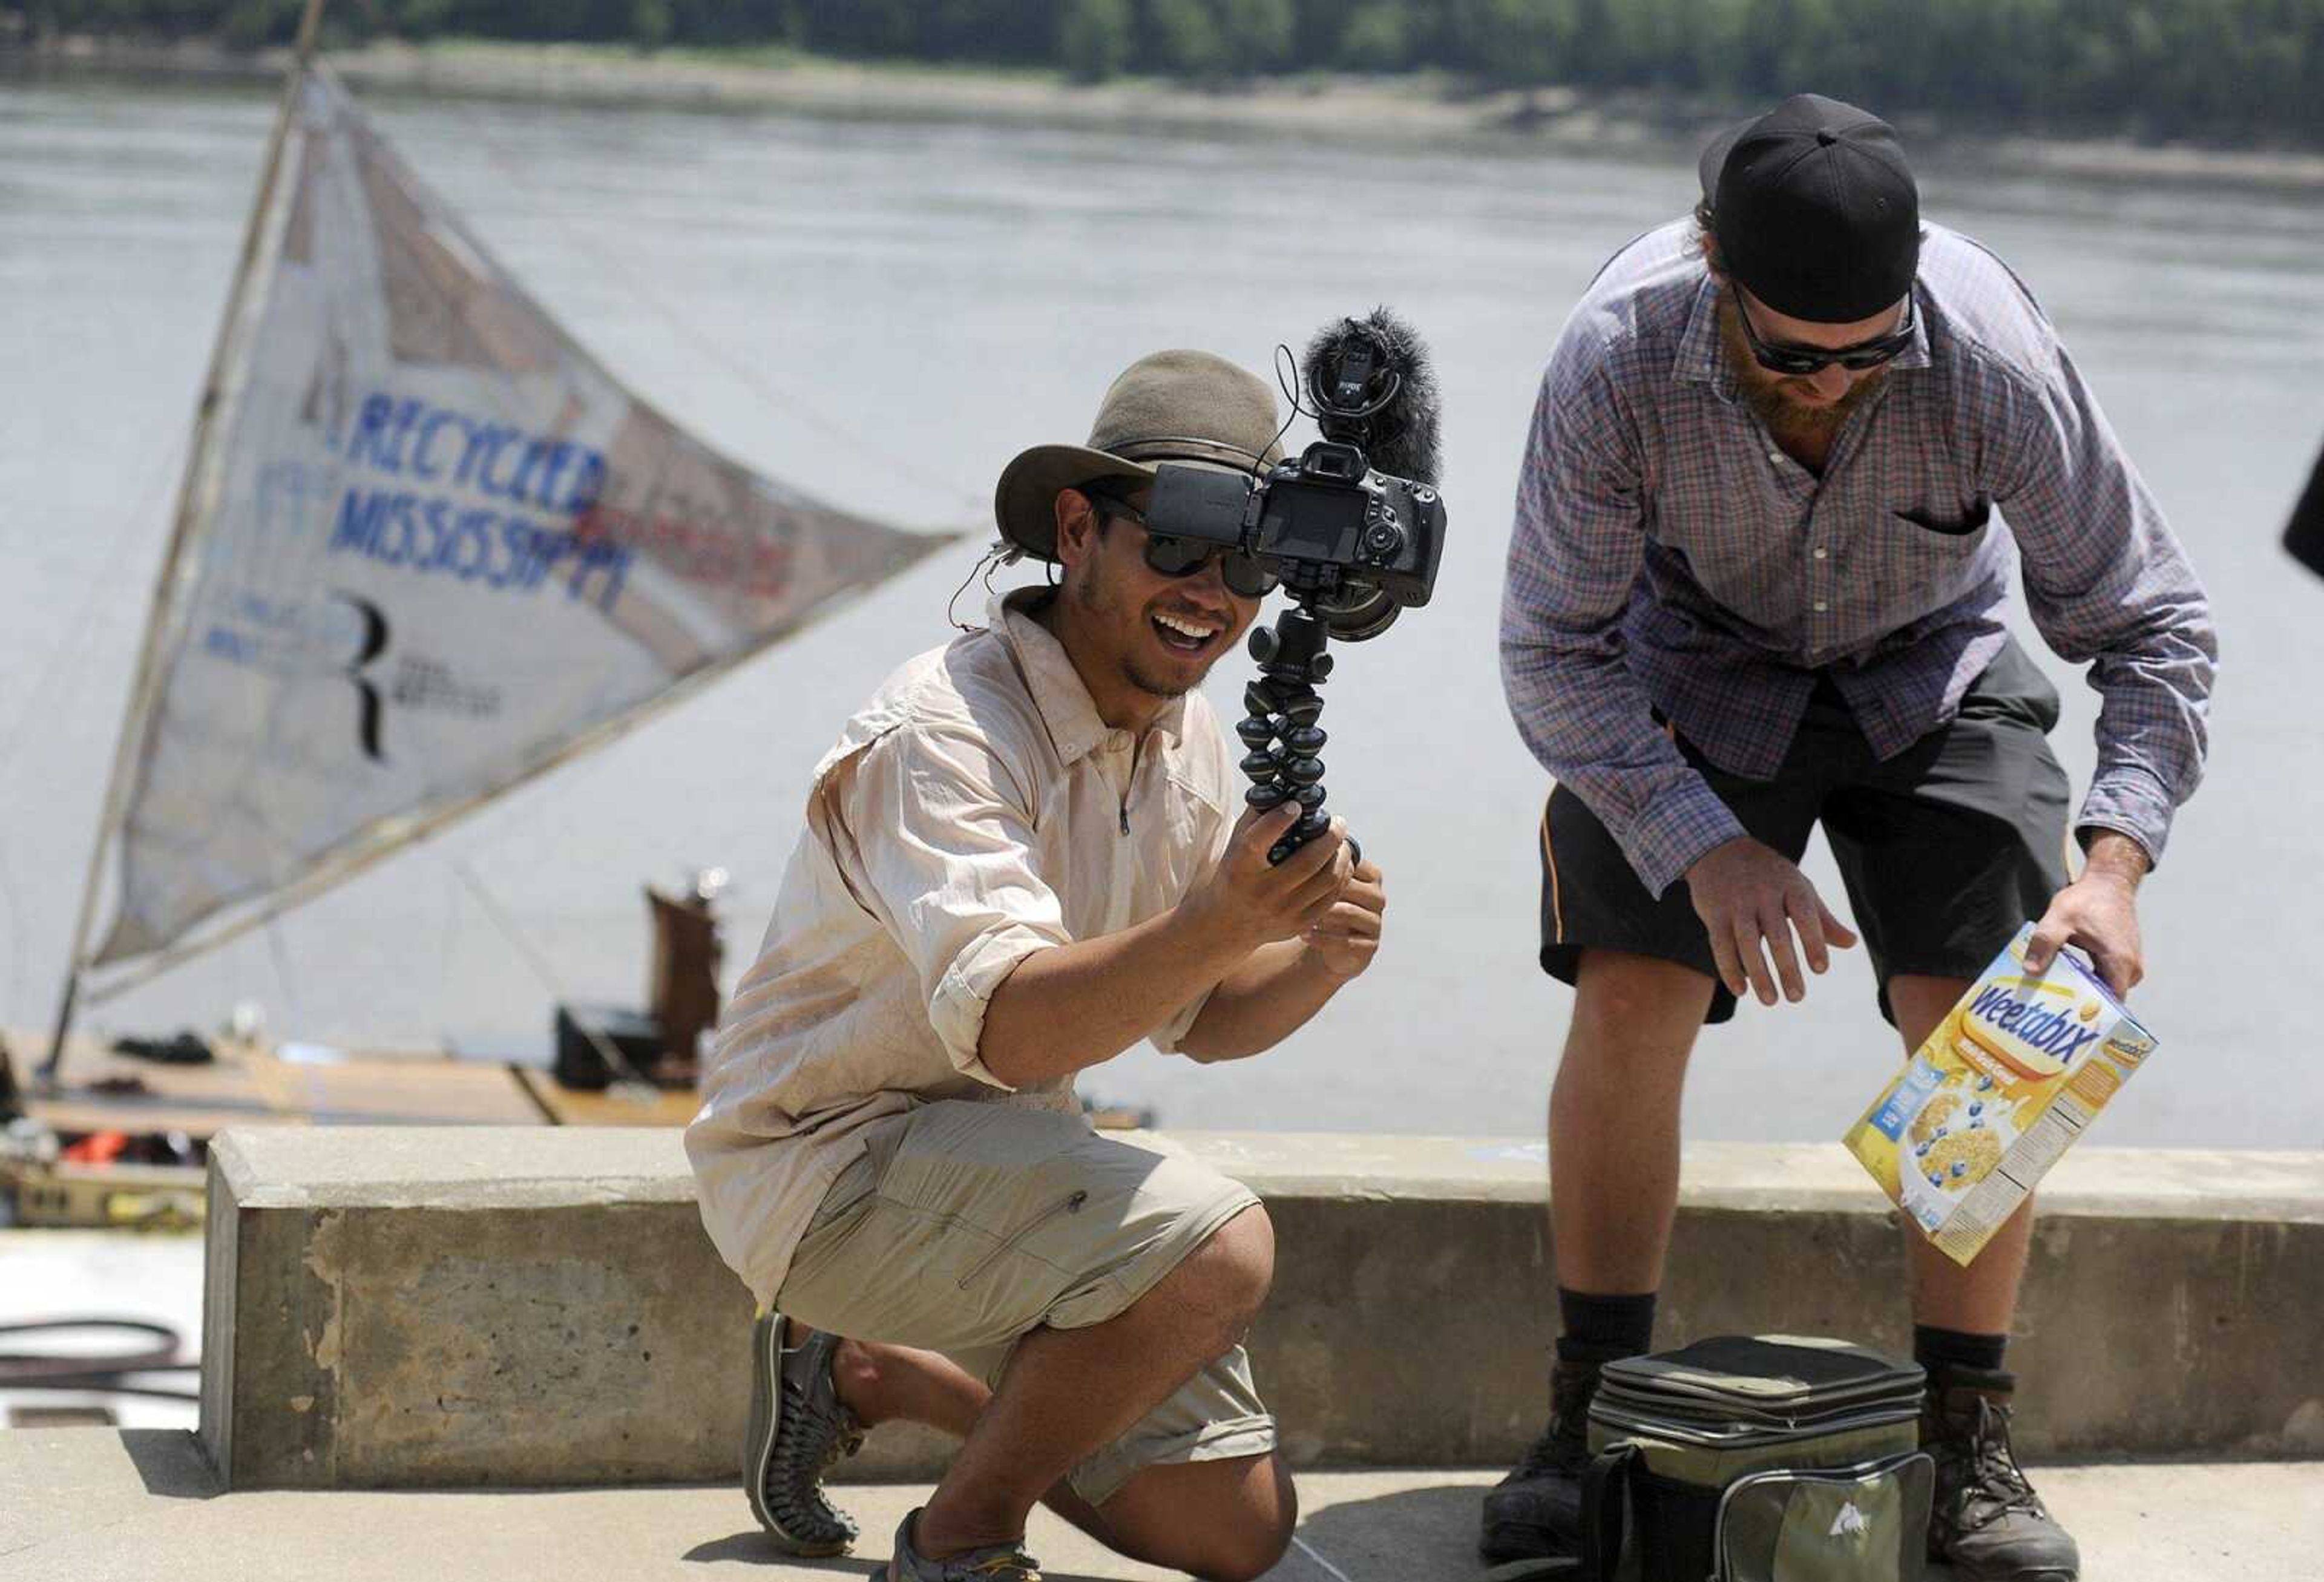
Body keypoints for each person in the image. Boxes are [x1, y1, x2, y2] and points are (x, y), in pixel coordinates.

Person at [1489, 94, 2214, 1582]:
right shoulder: (1616, 356)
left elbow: (2155, 625)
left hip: (1928, 660)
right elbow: (1552, 654)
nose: (1834, 383)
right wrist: (1700, 842)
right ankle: (1593, 1411)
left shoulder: (1991, 360)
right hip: (1680, 665)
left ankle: (1965, 1429)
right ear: (1712, 270)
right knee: (1639, 978)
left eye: (1869, 352)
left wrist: (2111, 867)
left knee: (2004, 1001)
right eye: (1793, 354)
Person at [686, 349, 1388, 1582]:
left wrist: (1317, 957)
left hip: (1012, 1176)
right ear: (1079, 530)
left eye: (1249, 560)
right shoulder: (942, 729)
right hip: (827, 1166)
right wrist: (1220, 919)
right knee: (1223, 1245)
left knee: (1236, 1533)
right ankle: (960, 1536)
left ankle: (872, 1371)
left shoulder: (1191, 739)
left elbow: (1202, 1020)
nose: (1212, 593)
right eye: (1180, 542)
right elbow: (1012, 1030)